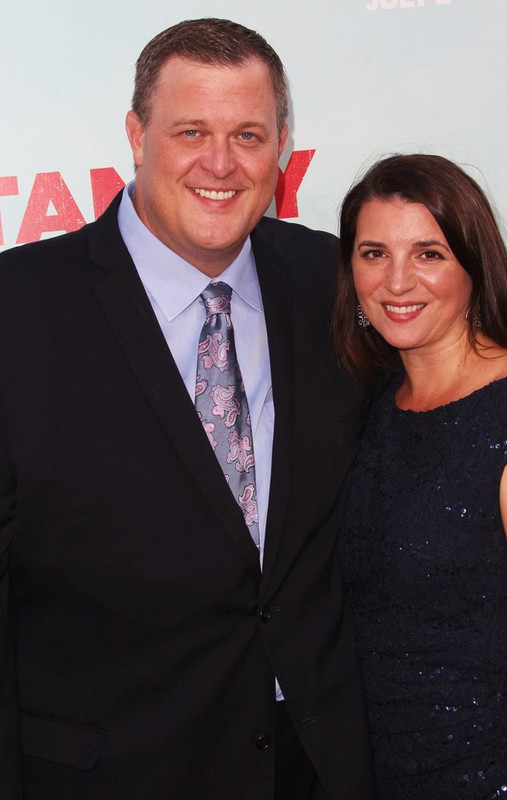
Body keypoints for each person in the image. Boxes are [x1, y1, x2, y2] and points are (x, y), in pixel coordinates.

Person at [0, 19, 377, 800]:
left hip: (321, 768)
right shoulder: (19, 310)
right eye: (191, 131)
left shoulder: (334, 282)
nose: (220, 162)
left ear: (282, 146)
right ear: (136, 135)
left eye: (248, 134)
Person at [333, 153, 507, 800]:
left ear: (474, 267)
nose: (398, 280)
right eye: (374, 253)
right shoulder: (373, 407)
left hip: (487, 778)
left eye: (429, 254)